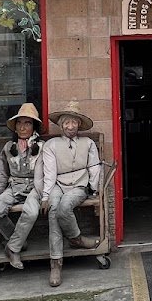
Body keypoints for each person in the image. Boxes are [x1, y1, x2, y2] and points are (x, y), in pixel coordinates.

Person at [39, 100, 102, 287]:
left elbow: (95, 167)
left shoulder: (88, 143)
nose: (70, 126)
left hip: (79, 186)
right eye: (67, 122)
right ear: (61, 125)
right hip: (58, 184)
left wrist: (93, 188)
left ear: (79, 124)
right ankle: (56, 264)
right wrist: (45, 197)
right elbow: (49, 174)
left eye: (74, 122)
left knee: (65, 206)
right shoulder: (51, 145)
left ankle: (76, 238)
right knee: (53, 210)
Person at [0, 103, 45, 270]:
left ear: (34, 126)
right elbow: (2, 174)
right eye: (19, 123)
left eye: (27, 123)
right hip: (14, 187)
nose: (23, 127)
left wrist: (44, 193)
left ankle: (13, 248)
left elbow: (45, 175)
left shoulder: (41, 147)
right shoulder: (8, 148)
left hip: (35, 187)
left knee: (32, 211)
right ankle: (18, 241)